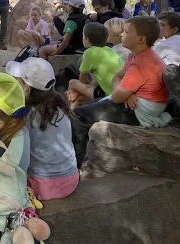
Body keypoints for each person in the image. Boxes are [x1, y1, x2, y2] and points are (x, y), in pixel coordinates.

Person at [70, 16, 171, 160]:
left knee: (78, 115)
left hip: (138, 111)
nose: (122, 34)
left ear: (141, 39)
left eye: (126, 32)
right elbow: (117, 77)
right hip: (131, 101)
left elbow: (117, 96)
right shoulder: (135, 56)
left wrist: (123, 91)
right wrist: (127, 93)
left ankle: (77, 161)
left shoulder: (142, 63)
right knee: (88, 106)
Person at [6, 58, 78, 200]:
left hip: (41, 186)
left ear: (26, 88)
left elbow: (17, 156)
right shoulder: (60, 108)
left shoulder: (25, 115)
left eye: (17, 80)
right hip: (70, 179)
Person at [65, 22, 124, 106]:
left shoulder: (89, 53)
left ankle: (67, 109)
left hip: (110, 95)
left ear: (87, 39)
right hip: (119, 91)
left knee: (72, 83)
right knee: (80, 97)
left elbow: (82, 80)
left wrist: (77, 89)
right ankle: (74, 109)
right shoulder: (108, 49)